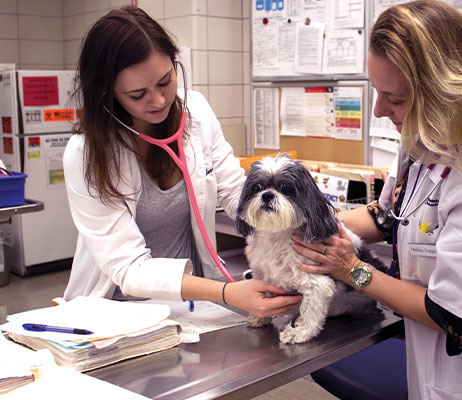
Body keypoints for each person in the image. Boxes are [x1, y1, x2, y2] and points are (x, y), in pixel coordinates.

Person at [293, 1, 462, 399]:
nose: (379, 109)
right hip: (433, 360)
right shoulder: (422, 141)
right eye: (377, 92)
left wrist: (351, 269)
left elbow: (453, 315)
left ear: (446, 91)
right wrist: (308, 224)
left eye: (396, 98)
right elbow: (390, 216)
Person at [62, 6, 301, 319]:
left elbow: (236, 194)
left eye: (165, 81)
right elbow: (128, 267)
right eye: (137, 95)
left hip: (193, 306)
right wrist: (227, 293)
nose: (159, 101)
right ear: (108, 95)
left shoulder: (196, 114)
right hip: (117, 314)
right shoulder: (86, 155)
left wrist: (302, 220)